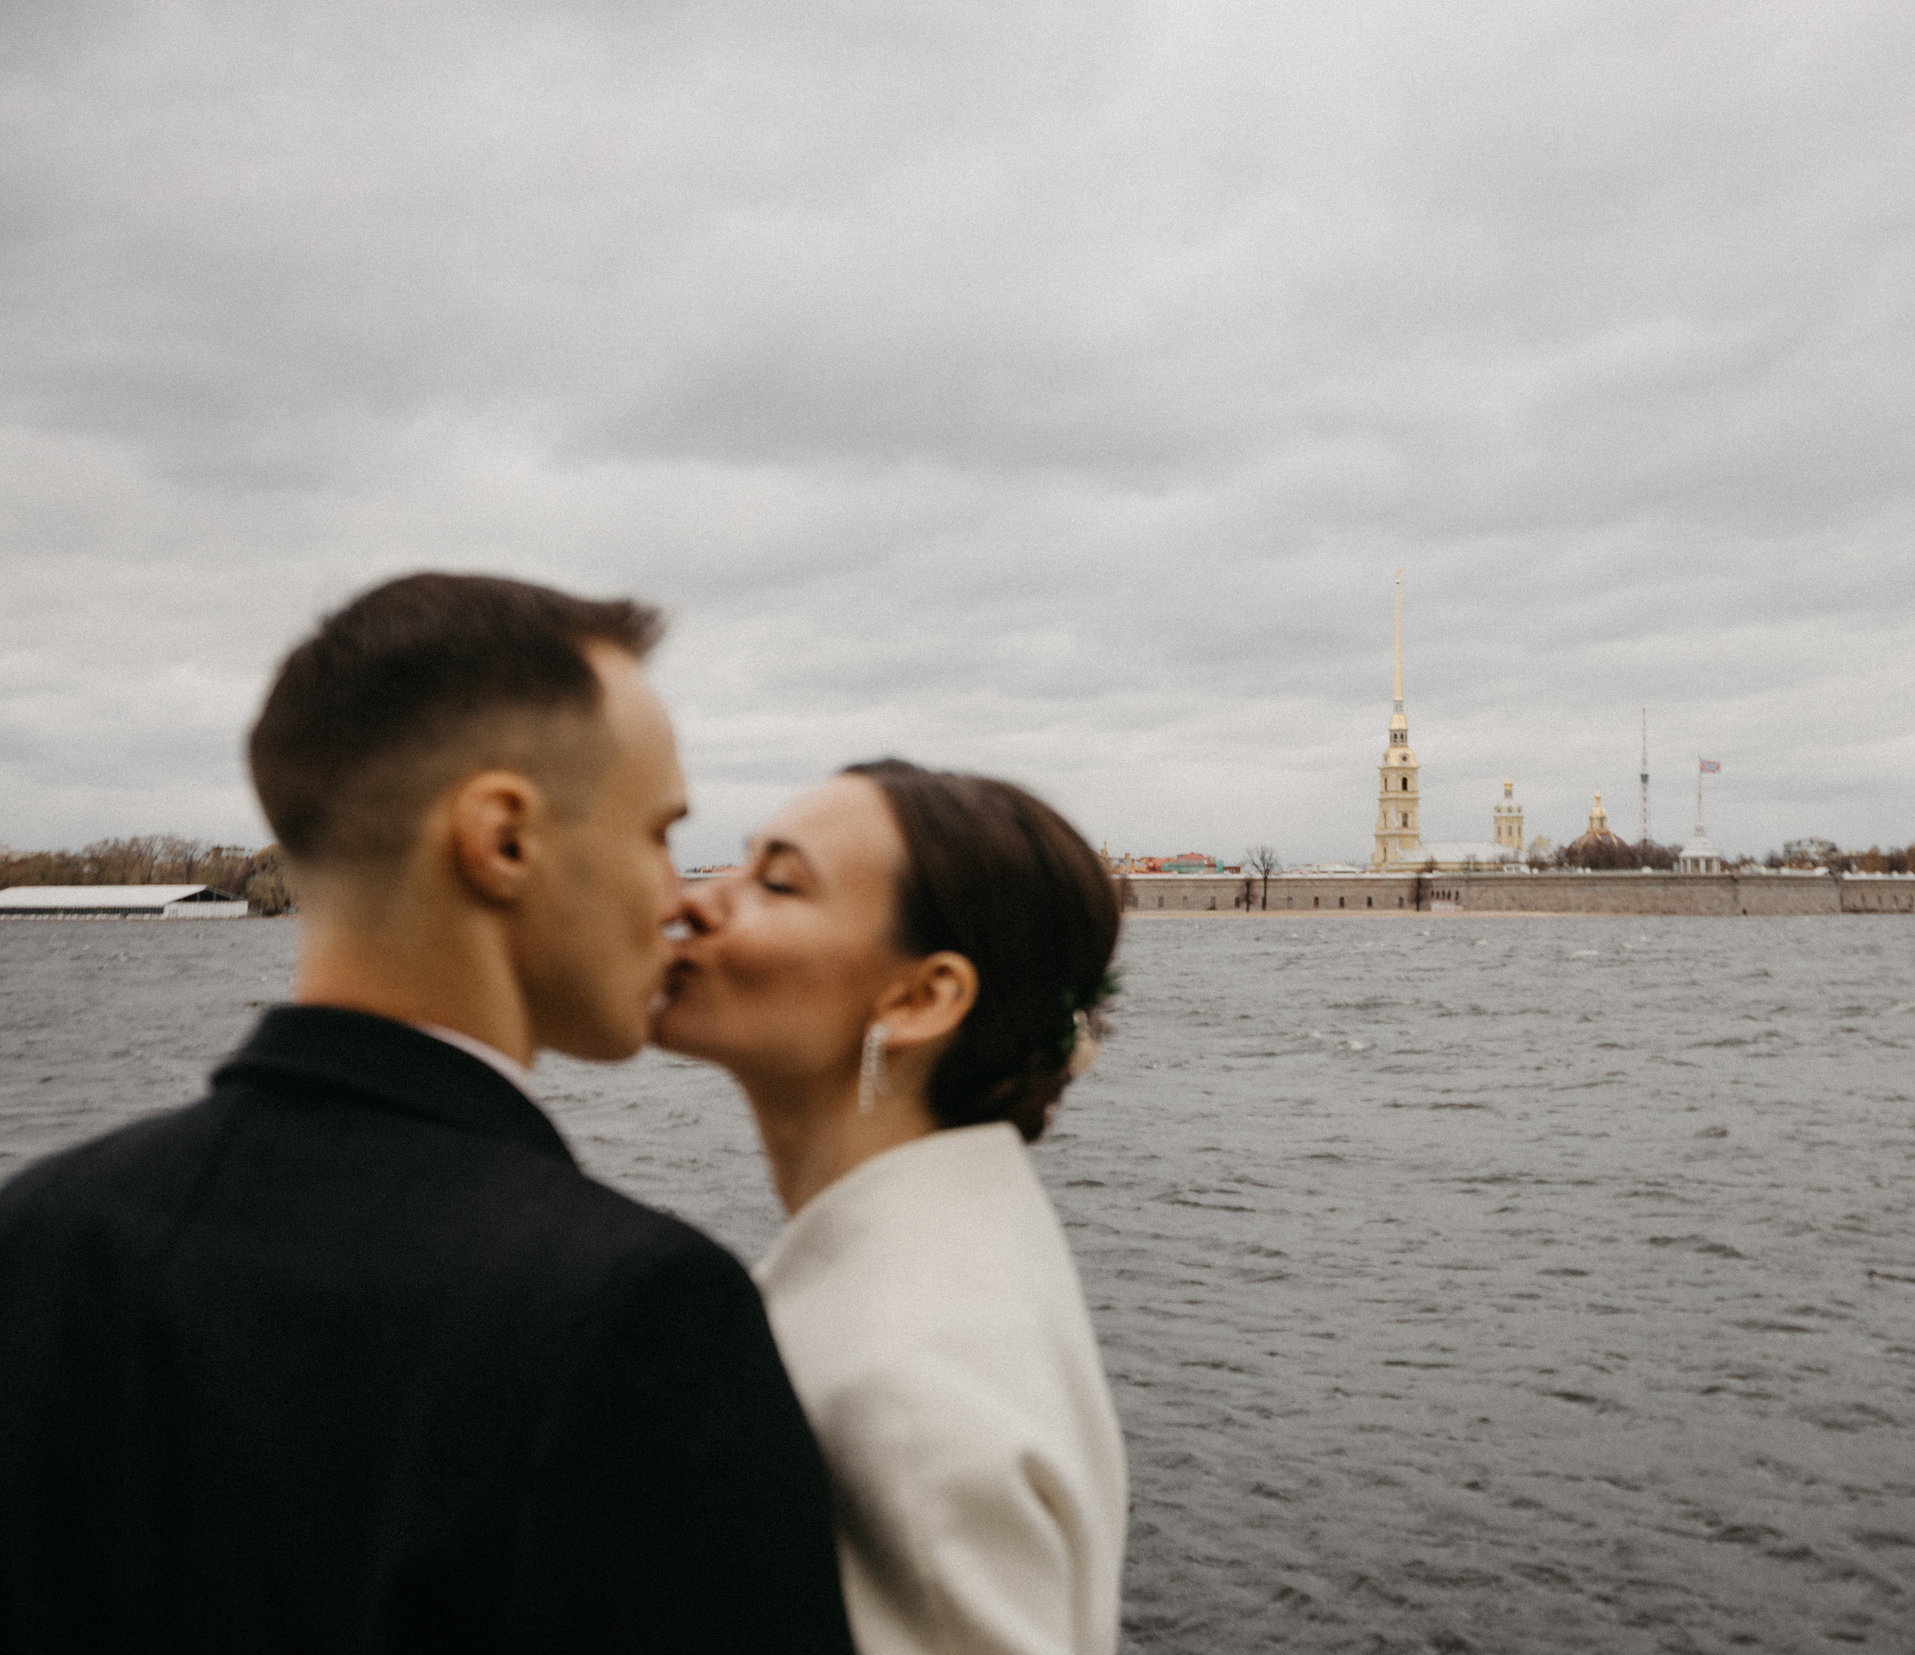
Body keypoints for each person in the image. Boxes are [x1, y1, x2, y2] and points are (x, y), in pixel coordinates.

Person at [0, 574, 855, 1654]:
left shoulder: (38, 1235)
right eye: (657, 832)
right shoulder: (636, 1314)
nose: (685, 896)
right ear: (502, 838)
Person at [655, 759, 1126, 1655]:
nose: (694, 903)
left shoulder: (901, 1394)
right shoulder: (976, 1247)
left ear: (921, 998)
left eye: (776, 882)